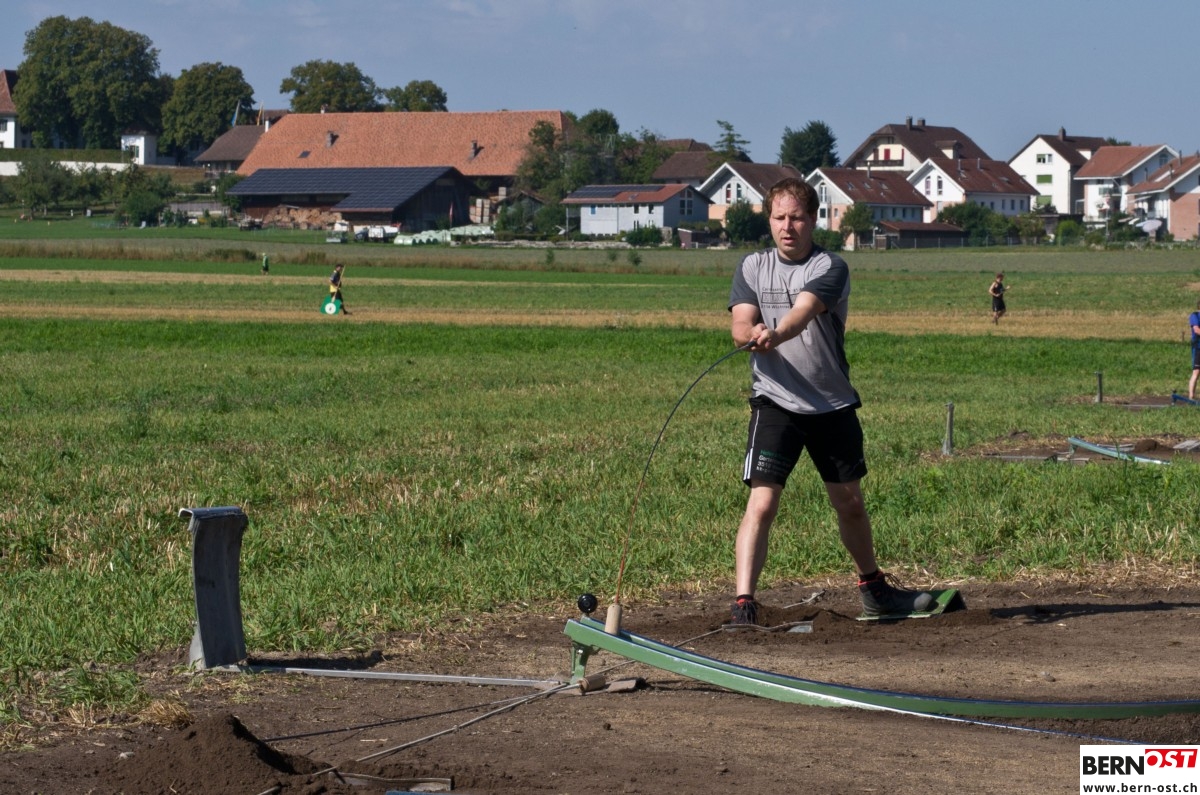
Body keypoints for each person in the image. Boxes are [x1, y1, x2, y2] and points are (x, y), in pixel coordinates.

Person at [726, 177, 934, 625]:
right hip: (774, 401)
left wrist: (775, 333)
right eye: (779, 218)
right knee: (762, 503)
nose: (788, 227)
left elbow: (801, 314)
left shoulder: (831, 266)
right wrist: (750, 334)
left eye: (797, 218)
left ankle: (874, 590)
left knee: (850, 503)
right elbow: (740, 324)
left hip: (830, 404)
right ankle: (744, 604)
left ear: (813, 220)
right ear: (769, 220)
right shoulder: (752, 266)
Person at [1188, 300, 1200, 400]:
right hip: (1198, 347)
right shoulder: (1195, 316)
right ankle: (1191, 397)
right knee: (1196, 371)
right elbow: (1196, 330)